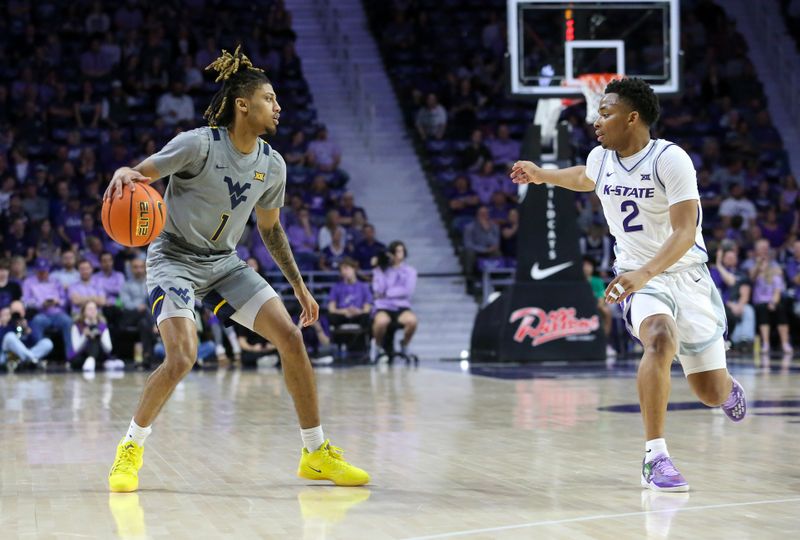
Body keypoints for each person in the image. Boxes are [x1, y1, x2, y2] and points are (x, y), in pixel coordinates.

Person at [102, 46, 368, 492]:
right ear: (243, 105)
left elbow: (271, 230)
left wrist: (299, 288)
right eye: (270, 99)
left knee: (290, 335)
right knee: (182, 356)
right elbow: (139, 174)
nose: (278, 107)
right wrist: (123, 171)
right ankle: (130, 448)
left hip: (224, 264)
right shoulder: (198, 144)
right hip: (175, 257)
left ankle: (316, 453)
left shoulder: (273, 165)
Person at [510, 78, 746, 492]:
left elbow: (686, 231)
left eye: (605, 113)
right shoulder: (602, 158)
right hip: (639, 276)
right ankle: (656, 457)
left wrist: (646, 272)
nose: (595, 121)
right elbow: (586, 177)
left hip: (685, 275)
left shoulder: (670, 160)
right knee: (658, 337)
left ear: (632, 117)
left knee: (709, 392)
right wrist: (542, 174)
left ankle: (726, 388)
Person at [370, 241, 418, 361]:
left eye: (400, 251)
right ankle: (377, 346)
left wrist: (388, 293)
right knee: (381, 322)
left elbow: (407, 291)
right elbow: (378, 289)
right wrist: (379, 267)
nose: (398, 254)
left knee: (412, 321)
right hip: (384, 306)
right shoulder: (381, 270)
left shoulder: (410, 271)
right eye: (395, 251)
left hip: (401, 306)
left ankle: (404, 344)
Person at [0, 301, 53, 370]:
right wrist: (3, 325)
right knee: (10, 336)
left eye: (18, 312)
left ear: (24, 312)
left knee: (47, 342)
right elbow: (3, 343)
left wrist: (27, 330)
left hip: (26, 350)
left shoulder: (30, 323)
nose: (17, 315)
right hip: (9, 355)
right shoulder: (7, 324)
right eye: (14, 312)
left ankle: (24, 361)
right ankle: (32, 360)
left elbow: (37, 341)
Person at [583, 256, 615, 357]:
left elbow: (601, 299)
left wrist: (597, 306)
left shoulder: (597, 281)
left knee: (606, 311)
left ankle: (604, 342)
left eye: (589, 265)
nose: (586, 268)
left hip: (595, 307)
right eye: (584, 265)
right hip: (580, 308)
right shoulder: (577, 281)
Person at [327, 258, 372, 330]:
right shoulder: (336, 287)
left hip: (358, 315)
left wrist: (358, 311)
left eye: (346, 268)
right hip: (342, 315)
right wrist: (345, 311)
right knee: (331, 317)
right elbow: (331, 309)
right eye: (341, 270)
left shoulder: (364, 286)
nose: (343, 272)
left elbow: (367, 309)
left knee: (367, 317)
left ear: (354, 269)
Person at [69, 300, 114, 372]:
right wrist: (84, 336)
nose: (92, 311)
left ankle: (91, 360)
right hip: (83, 355)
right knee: (76, 361)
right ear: (84, 312)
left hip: (99, 355)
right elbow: (76, 349)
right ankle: (92, 361)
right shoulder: (77, 326)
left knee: (95, 338)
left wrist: (100, 336)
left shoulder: (102, 326)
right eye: (89, 309)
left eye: (94, 309)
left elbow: (108, 349)